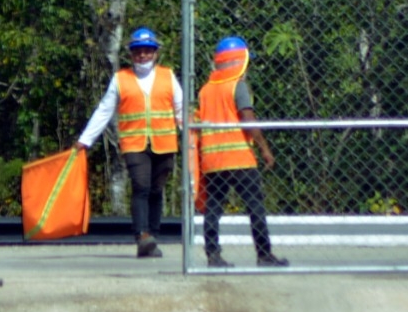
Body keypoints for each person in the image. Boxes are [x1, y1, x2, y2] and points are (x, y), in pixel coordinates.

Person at [78, 27, 182, 258]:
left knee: (156, 190)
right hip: (135, 144)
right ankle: (141, 235)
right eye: (138, 52)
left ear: (155, 53)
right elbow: (104, 111)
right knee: (141, 186)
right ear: (131, 54)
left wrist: (190, 135)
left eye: (147, 51)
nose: (142, 55)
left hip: (164, 143)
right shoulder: (120, 79)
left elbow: (180, 108)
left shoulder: (168, 76)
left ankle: (152, 236)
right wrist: (85, 140)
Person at [197, 36, 288, 268]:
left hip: (213, 160)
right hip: (239, 158)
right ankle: (264, 254)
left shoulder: (206, 90)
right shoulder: (238, 86)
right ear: (240, 62)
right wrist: (265, 149)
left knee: (213, 208)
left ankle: (213, 255)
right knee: (255, 206)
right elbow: (248, 120)